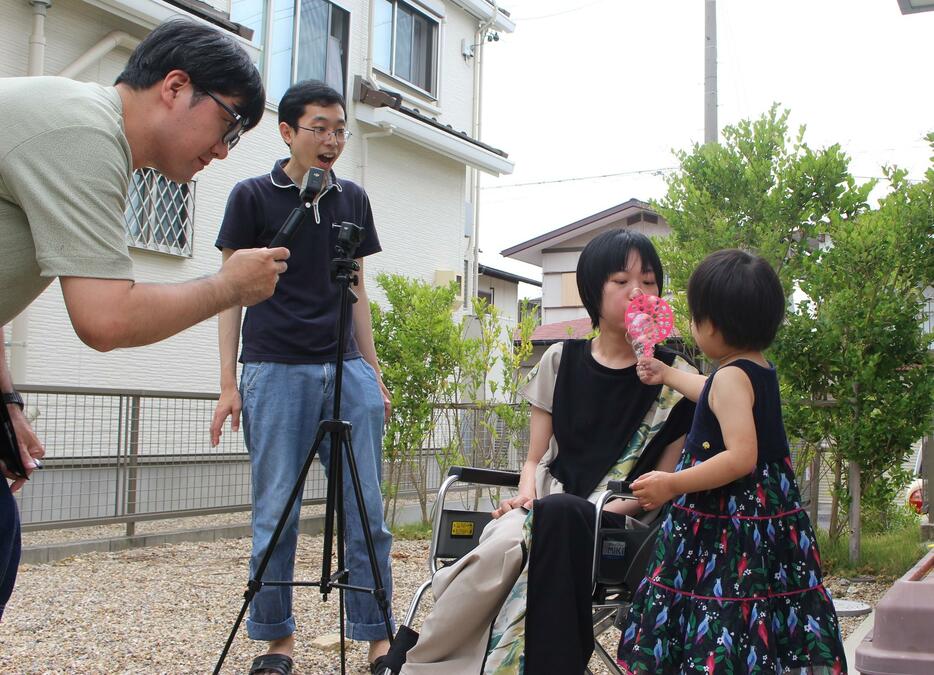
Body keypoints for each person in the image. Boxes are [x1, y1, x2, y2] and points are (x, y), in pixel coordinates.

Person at [0, 19, 286, 621]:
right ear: (176, 87)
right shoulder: (83, 134)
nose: (224, 150)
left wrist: (5, 399)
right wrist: (227, 286)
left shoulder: (86, 131)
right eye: (229, 124)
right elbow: (104, 319)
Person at [400, 229, 698, 674]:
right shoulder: (560, 361)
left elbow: (661, 486)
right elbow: (534, 459)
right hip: (542, 500)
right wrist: (527, 497)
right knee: (502, 545)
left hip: (615, 520)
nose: (638, 292)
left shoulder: (678, 382)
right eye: (621, 281)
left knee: (528, 542)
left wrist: (598, 508)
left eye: (650, 281)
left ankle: (421, 663)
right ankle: (428, 662)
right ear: (593, 293)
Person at [209, 80, 394, 675]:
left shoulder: (353, 199)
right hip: (273, 367)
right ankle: (276, 641)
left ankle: (377, 636)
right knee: (276, 510)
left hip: (343, 366)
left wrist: (373, 371)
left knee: (367, 507)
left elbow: (358, 290)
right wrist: (228, 383)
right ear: (287, 131)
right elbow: (228, 295)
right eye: (320, 128)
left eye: (340, 129)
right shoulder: (251, 197)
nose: (333, 140)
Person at [616, 249, 846, 674]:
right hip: (765, 517)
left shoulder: (732, 377)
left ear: (715, 326)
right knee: (761, 599)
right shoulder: (754, 368)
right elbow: (712, 392)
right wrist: (667, 374)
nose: (691, 325)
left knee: (722, 600)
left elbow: (741, 457)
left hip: (727, 523)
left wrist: (672, 483)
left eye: (695, 317)